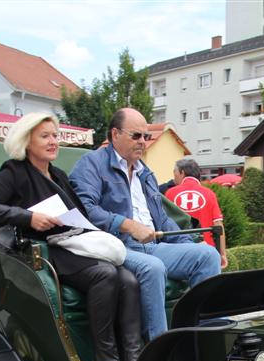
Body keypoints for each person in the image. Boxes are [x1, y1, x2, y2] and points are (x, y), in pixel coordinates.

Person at [0, 112, 142, 361]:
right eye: (45, 136)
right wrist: (28, 217)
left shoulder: (58, 175)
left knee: (128, 279)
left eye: (55, 135)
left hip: (73, 245)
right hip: (44, 253)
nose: (53, 142)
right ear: (27, 141)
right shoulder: (14, 172)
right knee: (105, 275)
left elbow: (81, 215)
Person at [69, 108, 221, 340]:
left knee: (207, 254)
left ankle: (203, 339)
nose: (143, 142)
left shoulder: (145, 173)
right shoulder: (91, 164)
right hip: (116, 247)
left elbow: (162, 219)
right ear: (115, 134)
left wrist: (188, 242)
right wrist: (127, 225)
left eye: (146, 137)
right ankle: (158, 351)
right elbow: (85, 211)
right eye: (136, 136)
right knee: (153, 267)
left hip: (153, 245)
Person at [165, 158, 228, 269]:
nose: (173, 177)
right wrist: (222, 254)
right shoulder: (209, 194)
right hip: (207, 250)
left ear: (182, 172)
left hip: (179, 251)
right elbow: (218, 224)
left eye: (174, 172)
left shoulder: (170, 193)